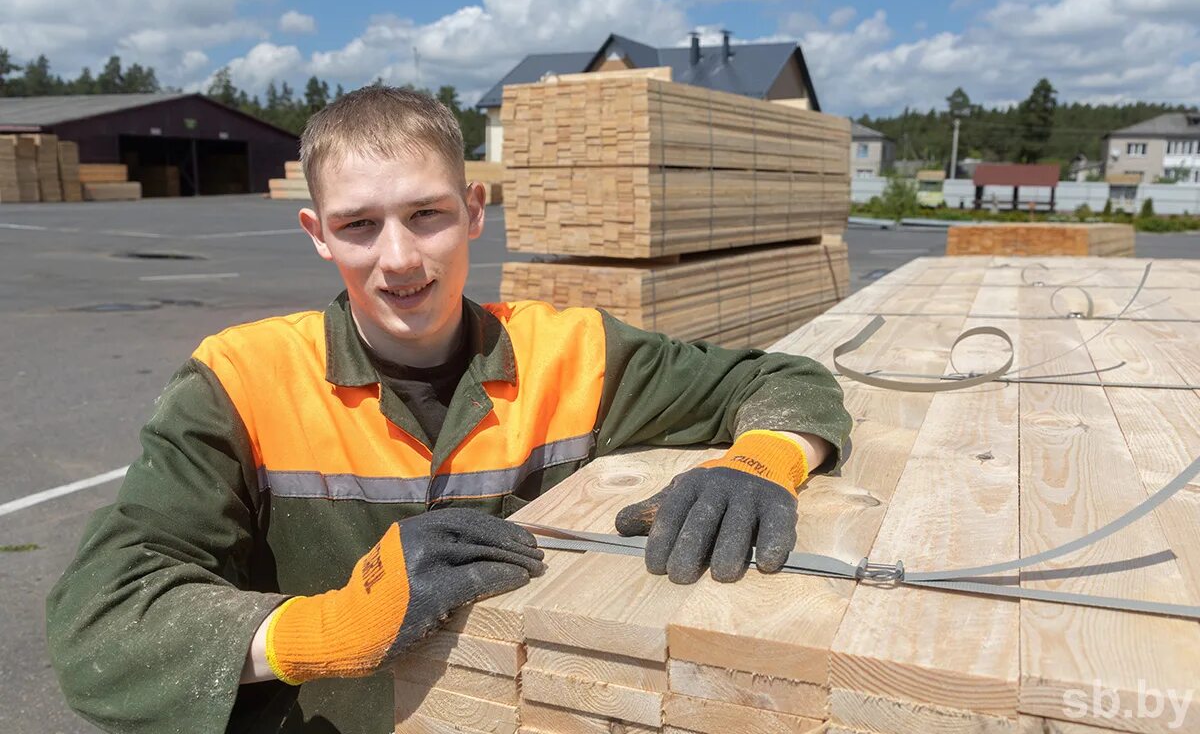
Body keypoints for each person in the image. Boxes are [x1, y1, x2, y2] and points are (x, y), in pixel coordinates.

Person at [46, 86, 852, 733]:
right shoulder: (242, 380)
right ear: (318, 234)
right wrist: (324, 634)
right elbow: (102, 622)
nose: (398, 259)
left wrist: (761, 462)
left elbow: (786, 380)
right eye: (359, 225)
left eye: (425, 214)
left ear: (472, 209)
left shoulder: (573, 354)